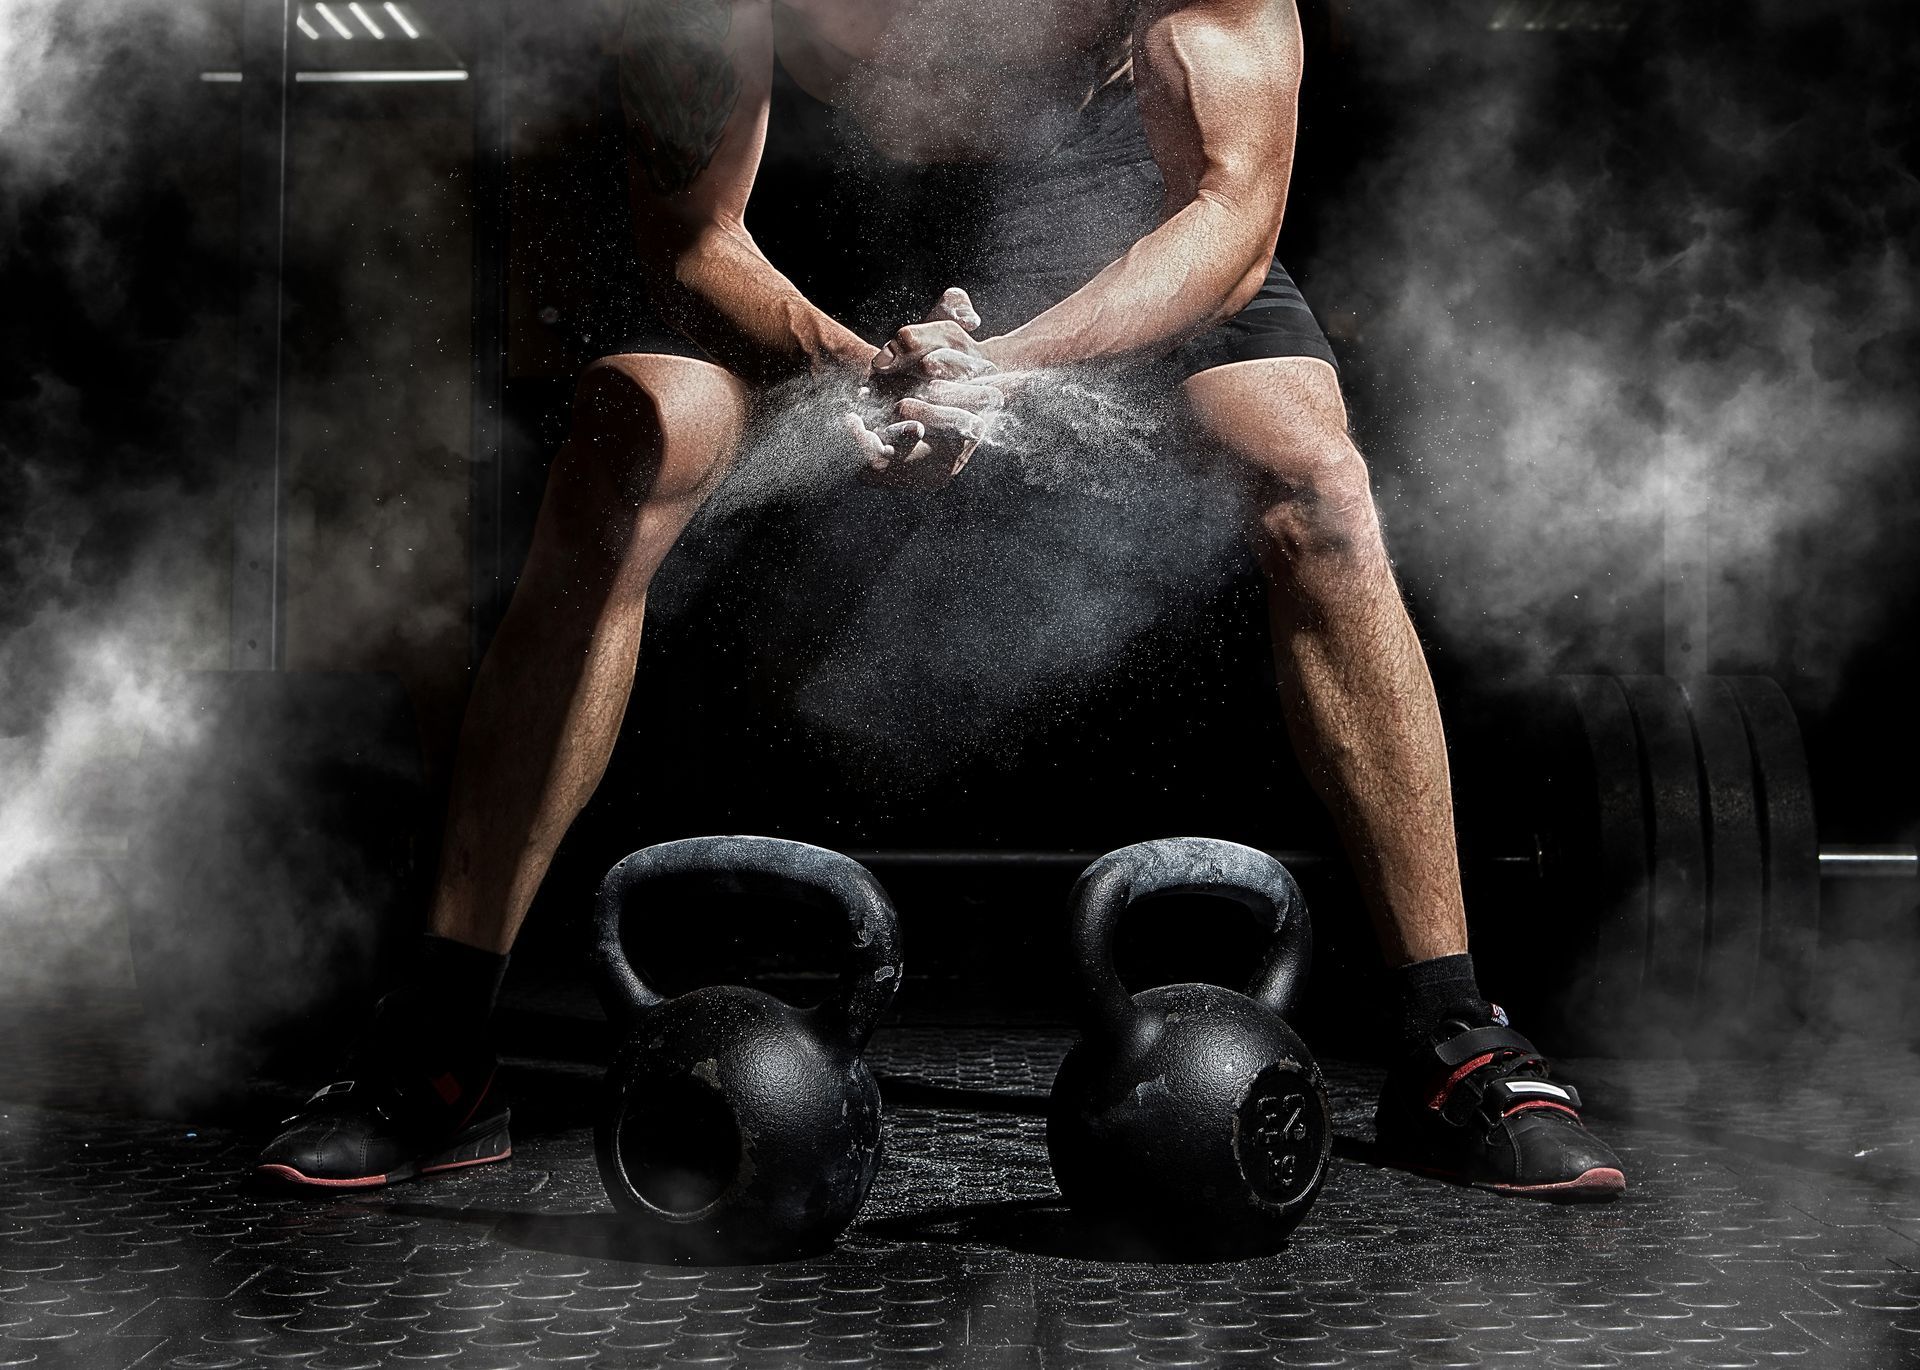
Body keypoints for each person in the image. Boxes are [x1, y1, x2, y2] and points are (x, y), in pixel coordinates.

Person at [255, 0, 1624, 1198]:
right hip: (790, 234)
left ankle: (1451, 1034)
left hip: (1108, 229)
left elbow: (1230, 219)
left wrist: (1002, 372)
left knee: (1313, 474)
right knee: (627, 443)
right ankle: (439, 1039)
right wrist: (860, 367)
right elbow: (692, 234)